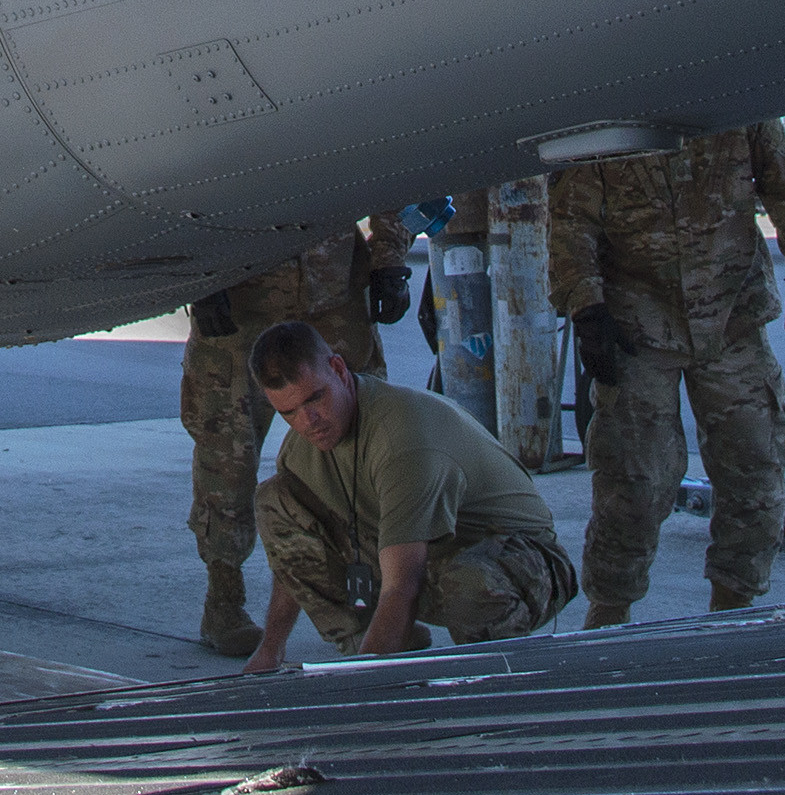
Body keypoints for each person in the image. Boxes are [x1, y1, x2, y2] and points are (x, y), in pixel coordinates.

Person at [550, 118, 785, 626]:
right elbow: (573, 221)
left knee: (756, 463)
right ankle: (609, 614)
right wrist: (586, 307)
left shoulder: (738, 109)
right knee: (634, 480)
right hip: (638, 325)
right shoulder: (612, 115)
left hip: (731, 319)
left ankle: (733, 610)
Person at [241, 319, 577, 668]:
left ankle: (486, 670)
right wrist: (271, 649)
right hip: (428, 555)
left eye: (315, 398)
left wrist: (363, 686)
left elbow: (403, 584)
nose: (307, 420)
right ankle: (367, 641)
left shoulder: (403, 440)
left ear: (339, 370)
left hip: (520, 562)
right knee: (277, 500)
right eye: (288, 412)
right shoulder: (302, 448)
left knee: (467, 585)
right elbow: (294, 553)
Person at [179, 220, 410, 655]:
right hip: (241, 298)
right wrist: (202, 277)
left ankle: (363, 603)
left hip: (333, 292)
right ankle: (224, 600)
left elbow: (381, 167)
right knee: (227, 454)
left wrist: (390, 259)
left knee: (358, 452)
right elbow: (183, 186)